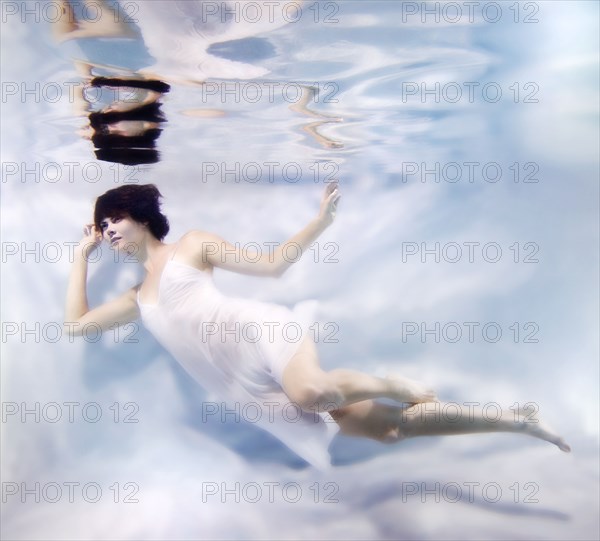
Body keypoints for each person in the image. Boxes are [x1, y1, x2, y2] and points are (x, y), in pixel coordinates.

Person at [64, 183, 570, 469]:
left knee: (310, 393)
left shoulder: (192, 245)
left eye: (115, 220)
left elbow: (273, 265)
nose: (108, 231)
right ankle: (514, 419)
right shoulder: (137, 298)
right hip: (245, 386)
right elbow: (77, 326)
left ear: (142, 216)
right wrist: (81, 257)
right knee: (389, 430)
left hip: (261, 337)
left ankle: (393, 383)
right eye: (102, 226)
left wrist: (320, 223)